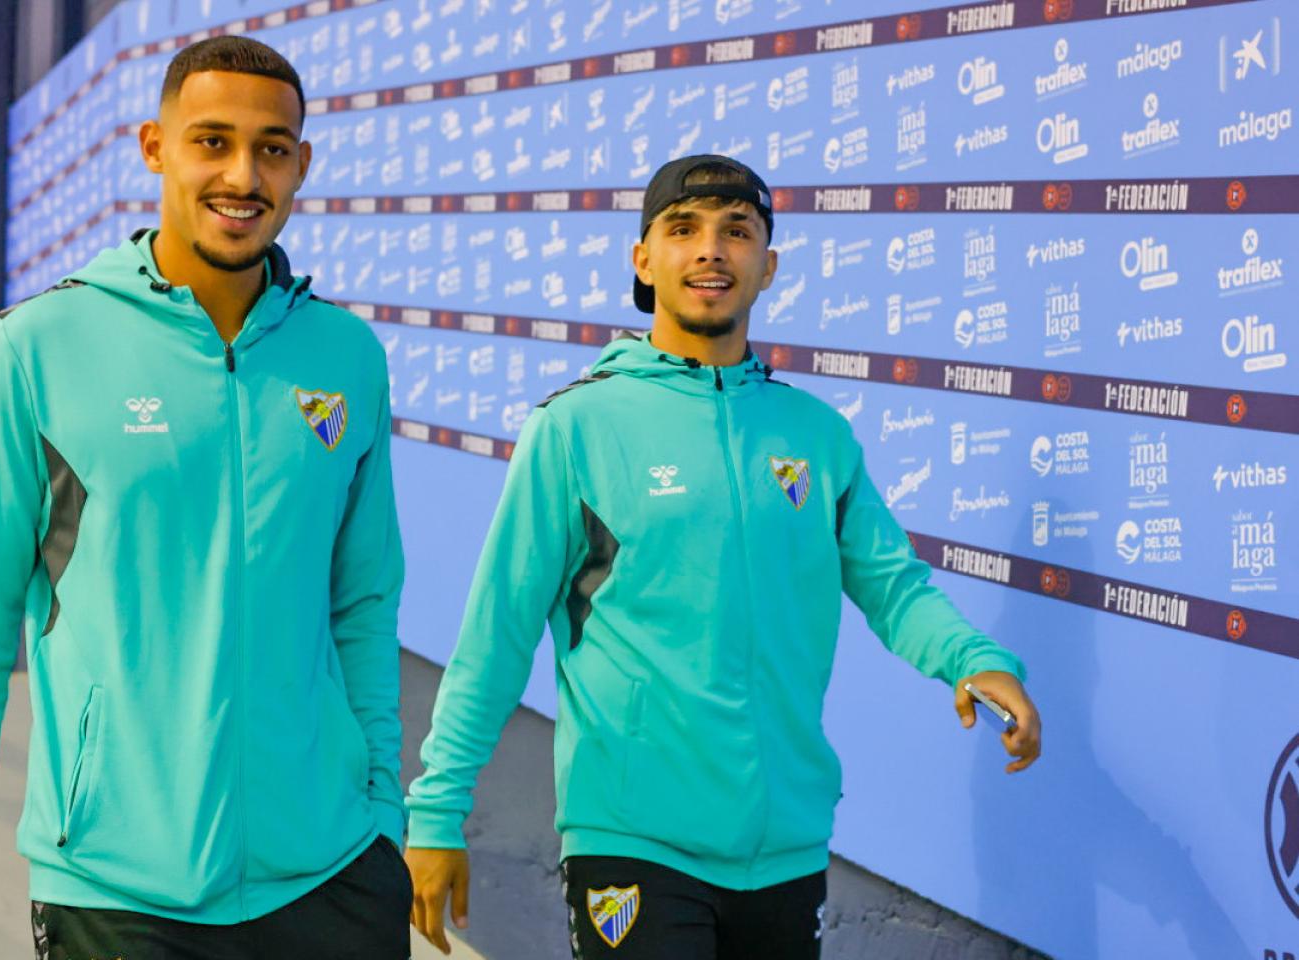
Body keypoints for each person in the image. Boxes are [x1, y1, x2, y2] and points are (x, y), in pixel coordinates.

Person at [402, 155, 1042, 960]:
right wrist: (436, 810)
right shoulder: (577, 429)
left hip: (786, 847)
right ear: (644, 259)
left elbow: (892, 585)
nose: (711, 250)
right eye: (684, 229)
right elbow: (496, 632)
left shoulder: (815, 435)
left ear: (767, 266)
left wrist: (973, 659)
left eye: (737, 232)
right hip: (633, 839)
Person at [0, 36, 410, 960]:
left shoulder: (344, 357)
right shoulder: (42, 348)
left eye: (272, 148)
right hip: (116, 885)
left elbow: (363, 604)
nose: (243, 175)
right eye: (211, 141)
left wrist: (383, 810)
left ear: (302, 164)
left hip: (332, 871)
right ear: (154, 147)